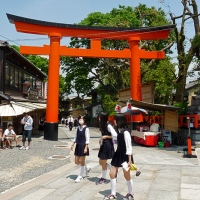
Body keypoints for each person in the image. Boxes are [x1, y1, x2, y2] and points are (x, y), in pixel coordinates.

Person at [104, 113, 134, 200]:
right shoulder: (119, 130)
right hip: (117, 154)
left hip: (125, 156)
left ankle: (130, 194)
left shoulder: (126, 132)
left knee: (126, 175)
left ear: (119, 120)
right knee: (112, 173)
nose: (114, 121)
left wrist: (130, 160)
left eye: (115, 119)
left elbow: (129, 147)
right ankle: (113, 193)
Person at [96, 112, 117, 185]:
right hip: (103, 145)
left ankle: (103, 178)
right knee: (101, 162)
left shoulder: (109, 126)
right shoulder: (103, 125)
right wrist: (101, 139)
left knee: (103, 162)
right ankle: (113, 169)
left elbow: (115, 135)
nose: (99, 118)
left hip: (107, 145)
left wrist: (106, 137)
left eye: (100, 117)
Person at [71, 115, 91, 183]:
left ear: (84, 120)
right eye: (80, 119)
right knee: (76, 161)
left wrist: (86, 147)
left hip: (83, 146)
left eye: (82, 119)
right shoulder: (78, 128)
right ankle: (87, 167)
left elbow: (88, 139)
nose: (80, 120)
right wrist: (73, 144)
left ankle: (80, 176)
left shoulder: (86, 128)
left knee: (82, 161)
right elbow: (75, 137)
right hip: (78, 145)